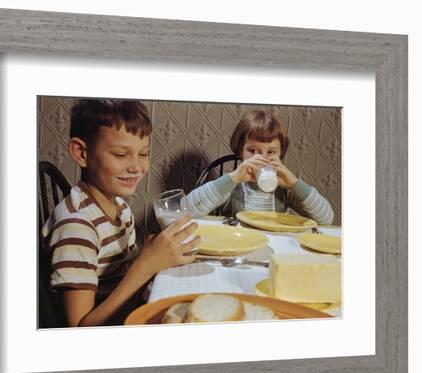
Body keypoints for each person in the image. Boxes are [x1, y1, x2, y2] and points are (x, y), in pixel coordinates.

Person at [42, 99, 200, 327]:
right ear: (81, 153)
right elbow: (78, 331)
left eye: (143, 154)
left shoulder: (120, 206)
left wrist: (153, 255)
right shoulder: (76, 226)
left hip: (128, 310)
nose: (136, 167)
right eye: (120, 154)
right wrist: (146, 265)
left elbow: (124, 275)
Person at [183, 109, 335, 224]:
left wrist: (294, 184)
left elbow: (326, 219)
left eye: (271, 152)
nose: (261, 159)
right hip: (238, 246)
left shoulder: (284, 189)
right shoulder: (233, 185)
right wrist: (233, 178)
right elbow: (187, 211)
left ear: (280, 154)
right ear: (240, 152)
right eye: (252, 151)